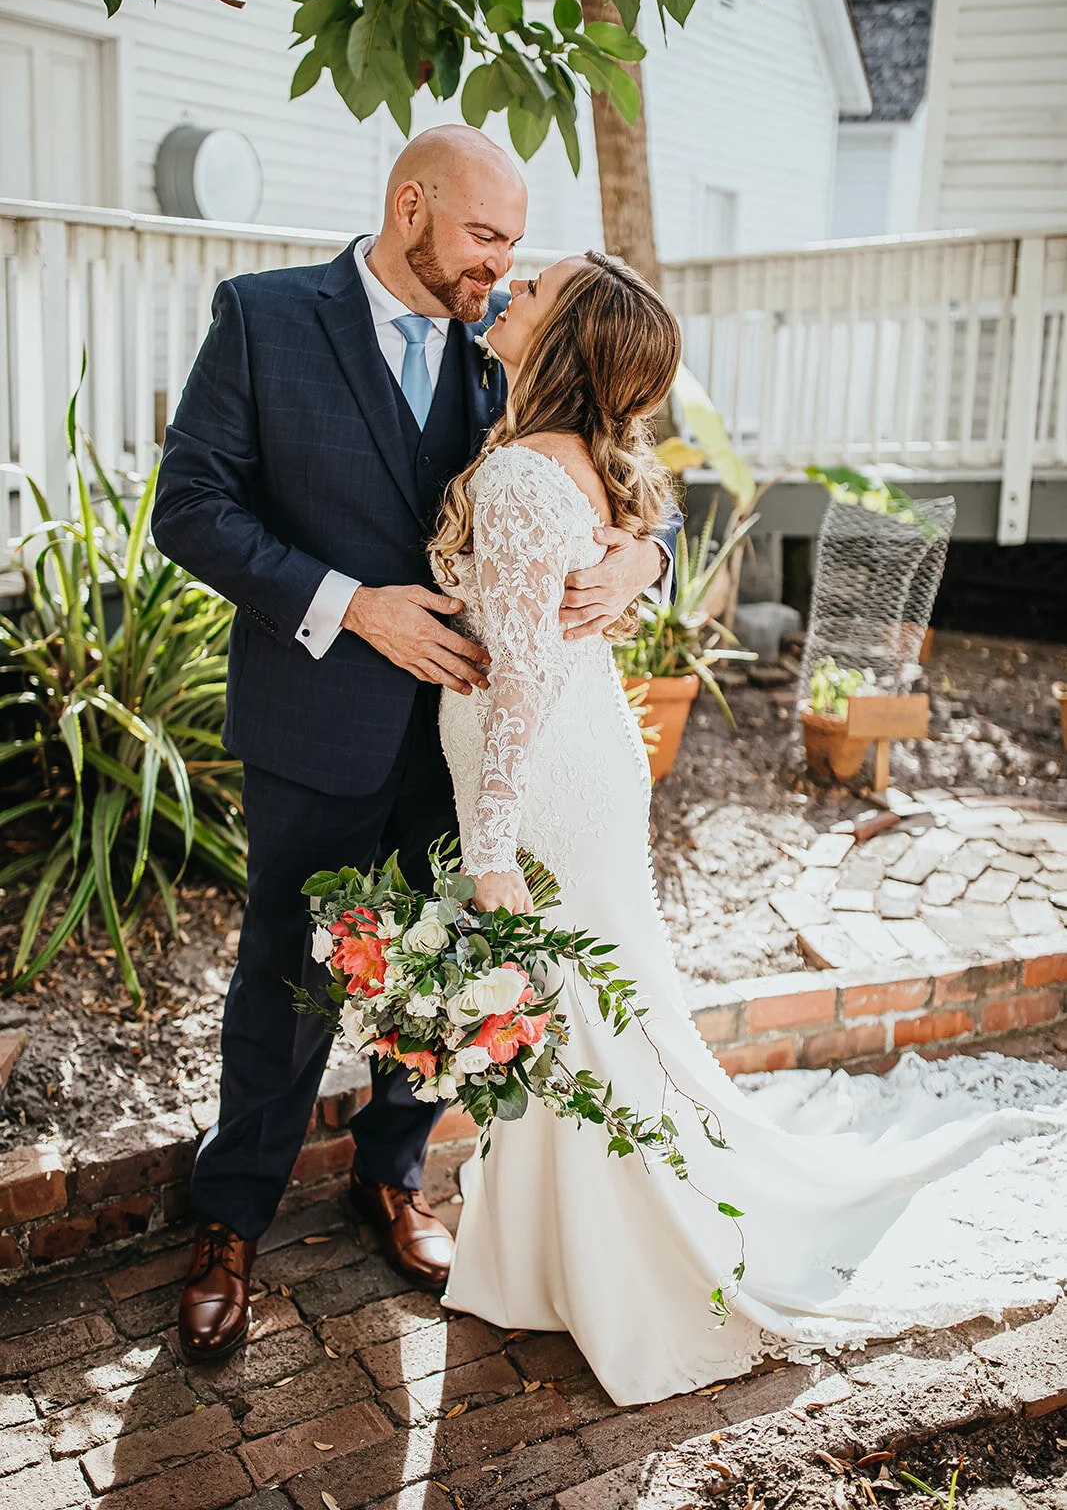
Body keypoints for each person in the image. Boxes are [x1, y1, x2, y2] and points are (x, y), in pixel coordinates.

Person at [427, 250, 1067, 1406]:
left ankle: (602, 1266)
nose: (509, 284)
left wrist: (486, 850)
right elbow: (595, 575)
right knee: (582, 1007)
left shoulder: (527, 474)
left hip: (544, 779)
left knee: (575, 1007)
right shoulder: (559, 456)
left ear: (565, 341)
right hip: (575, 760)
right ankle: (542, 1255)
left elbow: (517, 679)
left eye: (537, 285)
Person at [151, 128, 682, 1363]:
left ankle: (394, 1177)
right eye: (486, 238)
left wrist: (640, 558)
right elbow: (191, 506)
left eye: (513, 247)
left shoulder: (512, 344)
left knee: (452, 971)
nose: (501, 268)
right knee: (285, 978)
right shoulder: (263, 317)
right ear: (409, 209)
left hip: (469, 745)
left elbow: (629, 446)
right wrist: (353, 604)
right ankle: (230, 1223)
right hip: (318, 719)